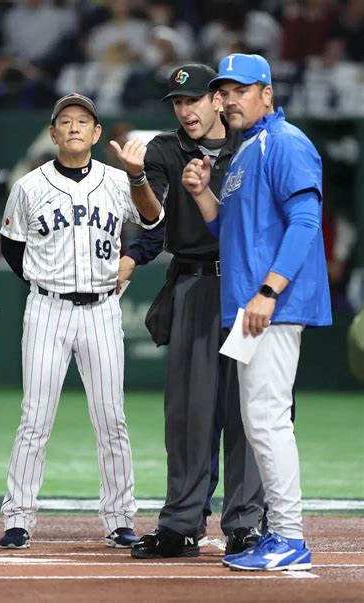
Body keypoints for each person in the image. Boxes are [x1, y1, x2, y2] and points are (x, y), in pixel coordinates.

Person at [182, 53, 331, 571]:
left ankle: (289, 535)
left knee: (266, 420)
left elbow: (307, 221)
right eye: (223, 91)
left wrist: (269, 291)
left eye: (239, 90)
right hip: (251, 307)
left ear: (266, 92)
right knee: (258, 420)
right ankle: (280, 531)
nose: (227, 100)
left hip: (270, 304)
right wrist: (202, 196)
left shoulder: (286, 142)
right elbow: (233, 232)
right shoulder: (246, 151)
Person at [0, 92, 163, 549]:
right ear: (52, 134)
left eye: (83, 121)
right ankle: (18, 516)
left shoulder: (117, 180)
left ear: (96, 133)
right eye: (65, 121)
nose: (73, 126)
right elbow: (11, 244)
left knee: (112, 418)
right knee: (35, 417)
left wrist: (138, 179)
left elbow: (153, 221)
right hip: (48, 308)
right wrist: (40, 276)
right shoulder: (30, 185)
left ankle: (119, 516)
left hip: (101, 310)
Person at [116, 63, 264, 559]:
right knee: (188, 413)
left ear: (218, 100)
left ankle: (245, 522)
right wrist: (137, 179)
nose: (185, 110)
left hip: (243, 288)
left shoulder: (251, 144)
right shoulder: (163, 149)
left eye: (194, 100)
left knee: (246, 411)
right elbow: (151, 215)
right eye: (177, 103)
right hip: (195, 286)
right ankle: (182, 523)